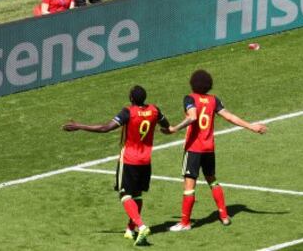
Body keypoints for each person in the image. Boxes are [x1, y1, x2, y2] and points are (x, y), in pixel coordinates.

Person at [64, 85, 171, 246]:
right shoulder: (155, 110)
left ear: (132, 99)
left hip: (128, 160)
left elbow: (105, 128)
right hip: (145, 160)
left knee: (125, 195)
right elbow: (165, 125)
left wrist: (80, 126)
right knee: (137, 195)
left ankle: (141, 226)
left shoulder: (128, 112)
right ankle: (130, 229)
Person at [164, 69, 268, 232]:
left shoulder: (190, 98)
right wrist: (252, 127)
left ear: (193, 84)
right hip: (209, 148)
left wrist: (174, 129)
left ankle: (185, 223)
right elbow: (230, 117)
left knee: (189, 186)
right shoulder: (214, 100)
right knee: (212, 180)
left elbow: (192, 117)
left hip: (194, 149)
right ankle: (224, 216)